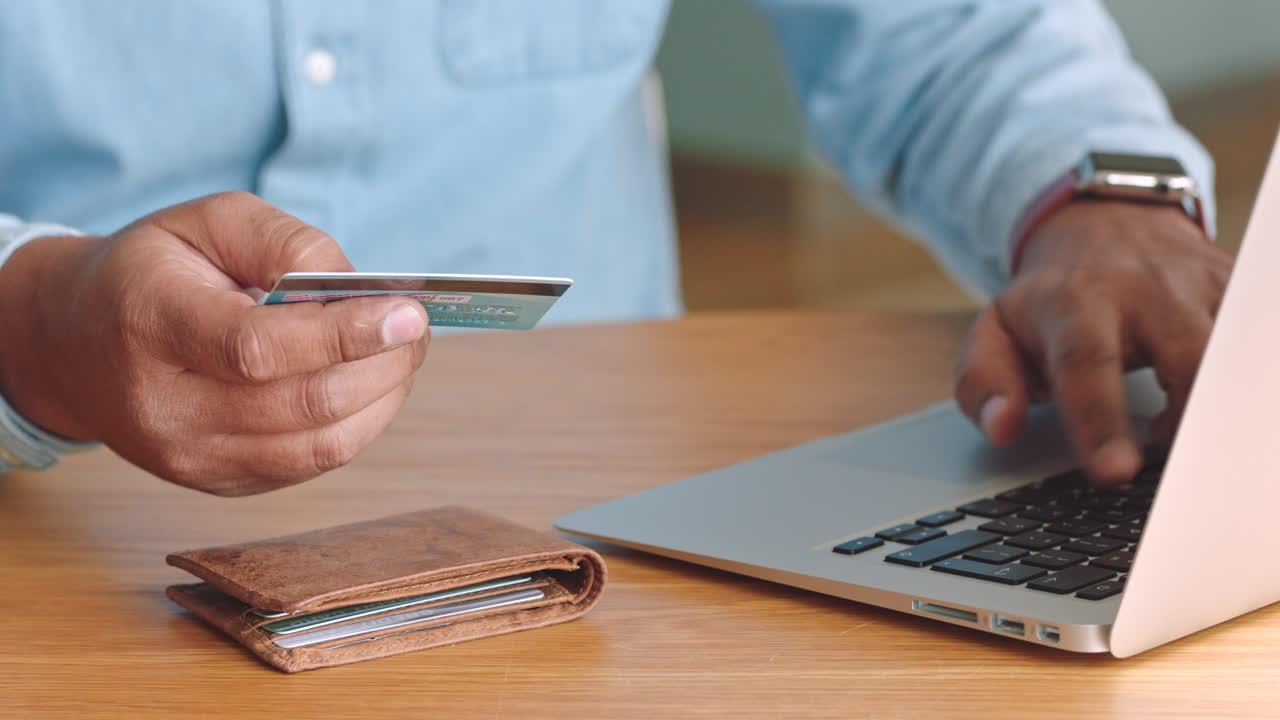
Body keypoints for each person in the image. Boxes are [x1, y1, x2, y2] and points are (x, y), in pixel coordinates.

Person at [0, 0, 1231, 496]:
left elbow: (951, 33)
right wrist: (35, 324)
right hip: (49, 525)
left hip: (600, 531)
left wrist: (1098, 207)